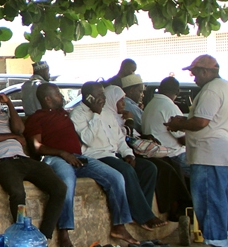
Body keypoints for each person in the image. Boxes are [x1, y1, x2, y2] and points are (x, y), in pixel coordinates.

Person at [24, 83, 139, 247]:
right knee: (67, 182)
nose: (62, 97)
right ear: (47, 98)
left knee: (116, 177)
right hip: (55, 158)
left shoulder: (64, 114)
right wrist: (63, 153)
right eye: (57, 94)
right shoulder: (36, 118)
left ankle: (119, 226)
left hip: (78, 158)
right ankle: (64, 230)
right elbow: (36, 146)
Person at [0, 83, 66, 242]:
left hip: (22, 159)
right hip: (1, 161)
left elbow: (19, 130)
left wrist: (10, 105)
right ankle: (22, 237)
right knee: (18, 193)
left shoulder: (4, 113)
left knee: (59, 188)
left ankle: (44, 238)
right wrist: (12, 137)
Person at [166, 55, 228, 247]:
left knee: (209, 198)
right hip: (219, 153)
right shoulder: (224, 88)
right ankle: (218, 243)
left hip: (210, 153)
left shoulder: (211, 90)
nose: (193, 77)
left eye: (195, 72)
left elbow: (201, 122)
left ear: (206, 72)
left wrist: (179, 124)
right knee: (220, 199)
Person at [70, 82, 168, 230]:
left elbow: (120, 139)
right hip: (96, 156)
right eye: (99, 95)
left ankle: (141, 212)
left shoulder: (107, 113)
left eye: (103, 94)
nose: (103, 98)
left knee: (149, 168)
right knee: (126, 170)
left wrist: (128, 154)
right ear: (89, 97)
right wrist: (95, 114)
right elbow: (88, 140)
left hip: (113, 154)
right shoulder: (77, 114)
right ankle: (145, 217)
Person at [142, 77, 188, 175]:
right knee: (205, 171)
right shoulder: (169, 107)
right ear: (178, 91)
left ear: (159, 88)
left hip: (155, 154)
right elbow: (183, 140)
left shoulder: (151, 104)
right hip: (173, 155)